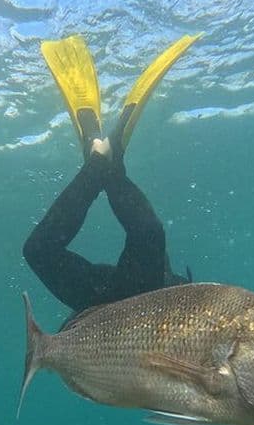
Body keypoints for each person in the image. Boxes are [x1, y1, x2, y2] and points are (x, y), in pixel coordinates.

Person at [23, 34, 199, 315]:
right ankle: (108, 165)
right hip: (148, 298)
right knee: (149, 234)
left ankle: (99, 163)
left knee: (37, 251)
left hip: (105, 307)